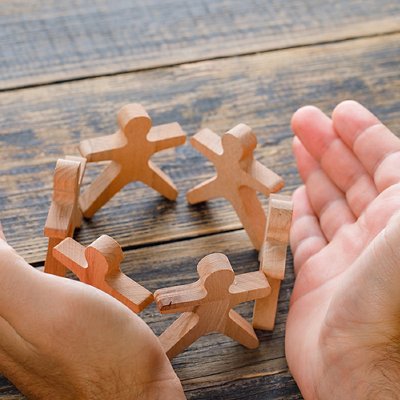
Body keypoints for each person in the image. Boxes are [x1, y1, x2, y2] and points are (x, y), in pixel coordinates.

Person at [0, 101, 399, 399]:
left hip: (231, 207)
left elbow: (164, 298)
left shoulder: (201, 287)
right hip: (212, 212)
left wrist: (133, 388)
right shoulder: (213, 287)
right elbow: (161, 296)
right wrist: (361, 368)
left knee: (248, 230)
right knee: (239, 244)